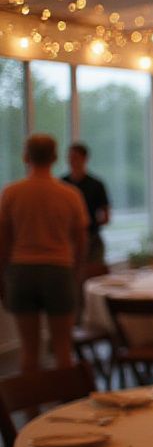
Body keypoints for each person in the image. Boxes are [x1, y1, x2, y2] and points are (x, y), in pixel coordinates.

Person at [0, 135, 88, 372]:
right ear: (55, 158)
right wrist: (76, 272)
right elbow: (81, 241)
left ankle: (31, 409)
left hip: (22, 271)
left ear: (25, 157)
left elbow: (4, 242)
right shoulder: (69, 194)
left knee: (29, 349)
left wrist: (2, 277)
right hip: (59, 270)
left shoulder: (11, 193)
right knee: (62, 348)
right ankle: (66, 403)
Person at [63, 142, 110, 268]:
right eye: (70, 158)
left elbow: (105, 214)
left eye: (75, 157)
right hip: (67, 238)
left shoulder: (96, 184)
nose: (72, 161)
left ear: (85, 159)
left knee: (93, 271)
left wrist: (91, 225)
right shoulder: (62, 184)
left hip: (91, 237)